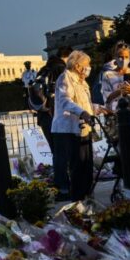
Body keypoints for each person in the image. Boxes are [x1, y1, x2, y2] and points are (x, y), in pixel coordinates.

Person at [51, 50, 108, 201]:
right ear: (77, 66)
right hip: (69, 129)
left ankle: (87, 195)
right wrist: (82, 112)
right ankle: (78, 198)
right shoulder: (66, 78)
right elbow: (65, 101)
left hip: (83, 128)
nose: (88, 67)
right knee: (77, 166)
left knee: (86, 165)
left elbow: (84, 102)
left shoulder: (82, 81)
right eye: (86, 65)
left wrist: (96, 109)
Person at [40, 47, 71, 195]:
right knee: (63, 152)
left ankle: (59, 184)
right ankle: (64, 186)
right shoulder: (61, 69)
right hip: (56, 116)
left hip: (44, 116)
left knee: (56, 152)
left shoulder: (43, 69)